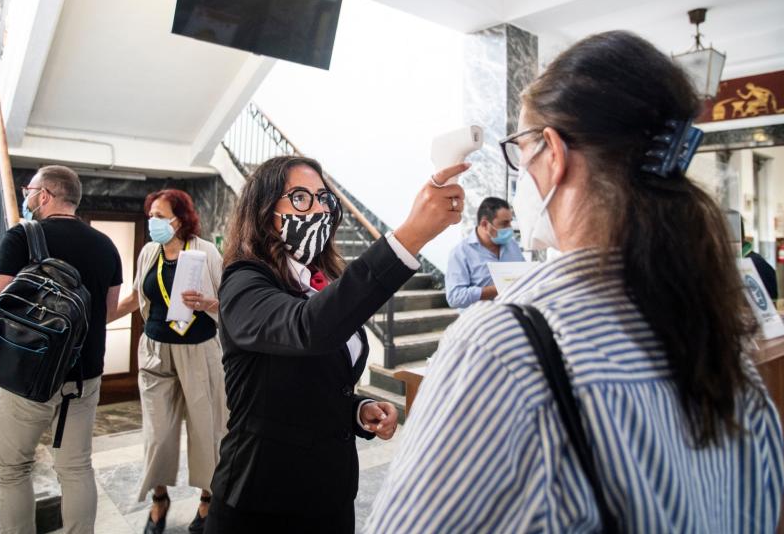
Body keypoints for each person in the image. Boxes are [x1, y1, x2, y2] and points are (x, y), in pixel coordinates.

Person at [367, 31, 784, 532]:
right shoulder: (724, 350)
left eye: (520, 148)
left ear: (555, 154)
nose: (521, 172)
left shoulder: (503, 348)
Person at [204, 155, 467, 533]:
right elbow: (308, 329)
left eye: (323, 198)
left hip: (330, 496)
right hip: (262, 500)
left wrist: (357, 409)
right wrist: (411, 235)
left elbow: (309, 383)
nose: (317, 209)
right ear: (264, 212)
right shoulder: (244, 283)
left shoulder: (318, 280)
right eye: (300, 198)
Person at [0, 165, 122, 534]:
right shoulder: (106, 244)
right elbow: (106, 312)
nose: (28, 197)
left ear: (44, 195)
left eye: (30, 190)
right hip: (84, 376)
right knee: (76, 467)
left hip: (29, 372)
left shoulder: (23, 237)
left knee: (11, 468)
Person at [109, 189, 227, 534]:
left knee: (207, 430)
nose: (153, 223)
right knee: (158, 434)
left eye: (160, 216)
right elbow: (134, 297)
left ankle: (208, 500)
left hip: (199, 350)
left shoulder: (205, 252)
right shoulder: (149, 252)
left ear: (181, 218)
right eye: (151, 215)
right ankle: (159, 499)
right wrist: (97, 319)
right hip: (155, 350)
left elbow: (228, 302)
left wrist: (206, 303)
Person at [445, 196, 525, 309]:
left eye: (510, 223)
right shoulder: (460, 253)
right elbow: (455, 298)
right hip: (479, 322)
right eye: (504, 224)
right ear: (484, 224)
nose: (510, 228)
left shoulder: (512, 245)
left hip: (513, 318)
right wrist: (495, 289)